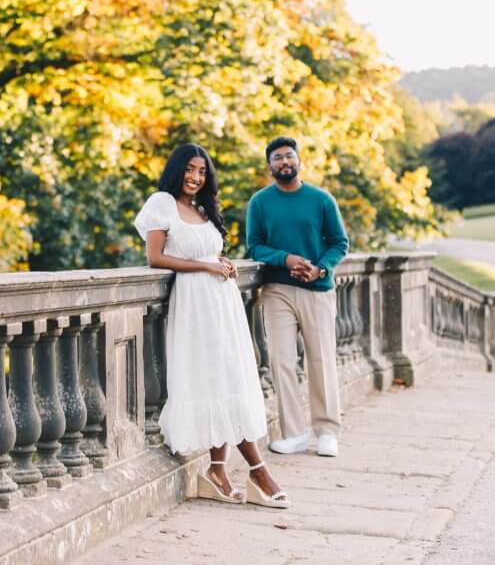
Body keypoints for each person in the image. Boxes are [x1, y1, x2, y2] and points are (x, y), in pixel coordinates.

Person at [134, 144, 290, 509]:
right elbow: (156, 258)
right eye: (190, 169)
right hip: (194, 305)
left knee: (231, 378)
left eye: (202, 172)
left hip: (222, 302)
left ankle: (218, 469)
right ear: (177, 170)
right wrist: (206, 267)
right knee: (217, 380)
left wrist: (221, 262)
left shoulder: (201, 208)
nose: (195, 177)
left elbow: (203, 250)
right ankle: (259, 471)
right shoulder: (162, 203)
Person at [246, 137, 349, 457]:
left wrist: (319, 269)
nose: (284, 162)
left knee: (321, 360)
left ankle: (327, 431)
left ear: (299, 160)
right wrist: (286, 258)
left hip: (317, 290)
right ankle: (294, 433)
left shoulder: (321, 199)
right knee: (281, 361)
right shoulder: (260, 203)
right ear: (270, 166)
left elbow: (339, 243)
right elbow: (254, 246)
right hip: (277, 290)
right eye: (277, 158)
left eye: (289, 156)